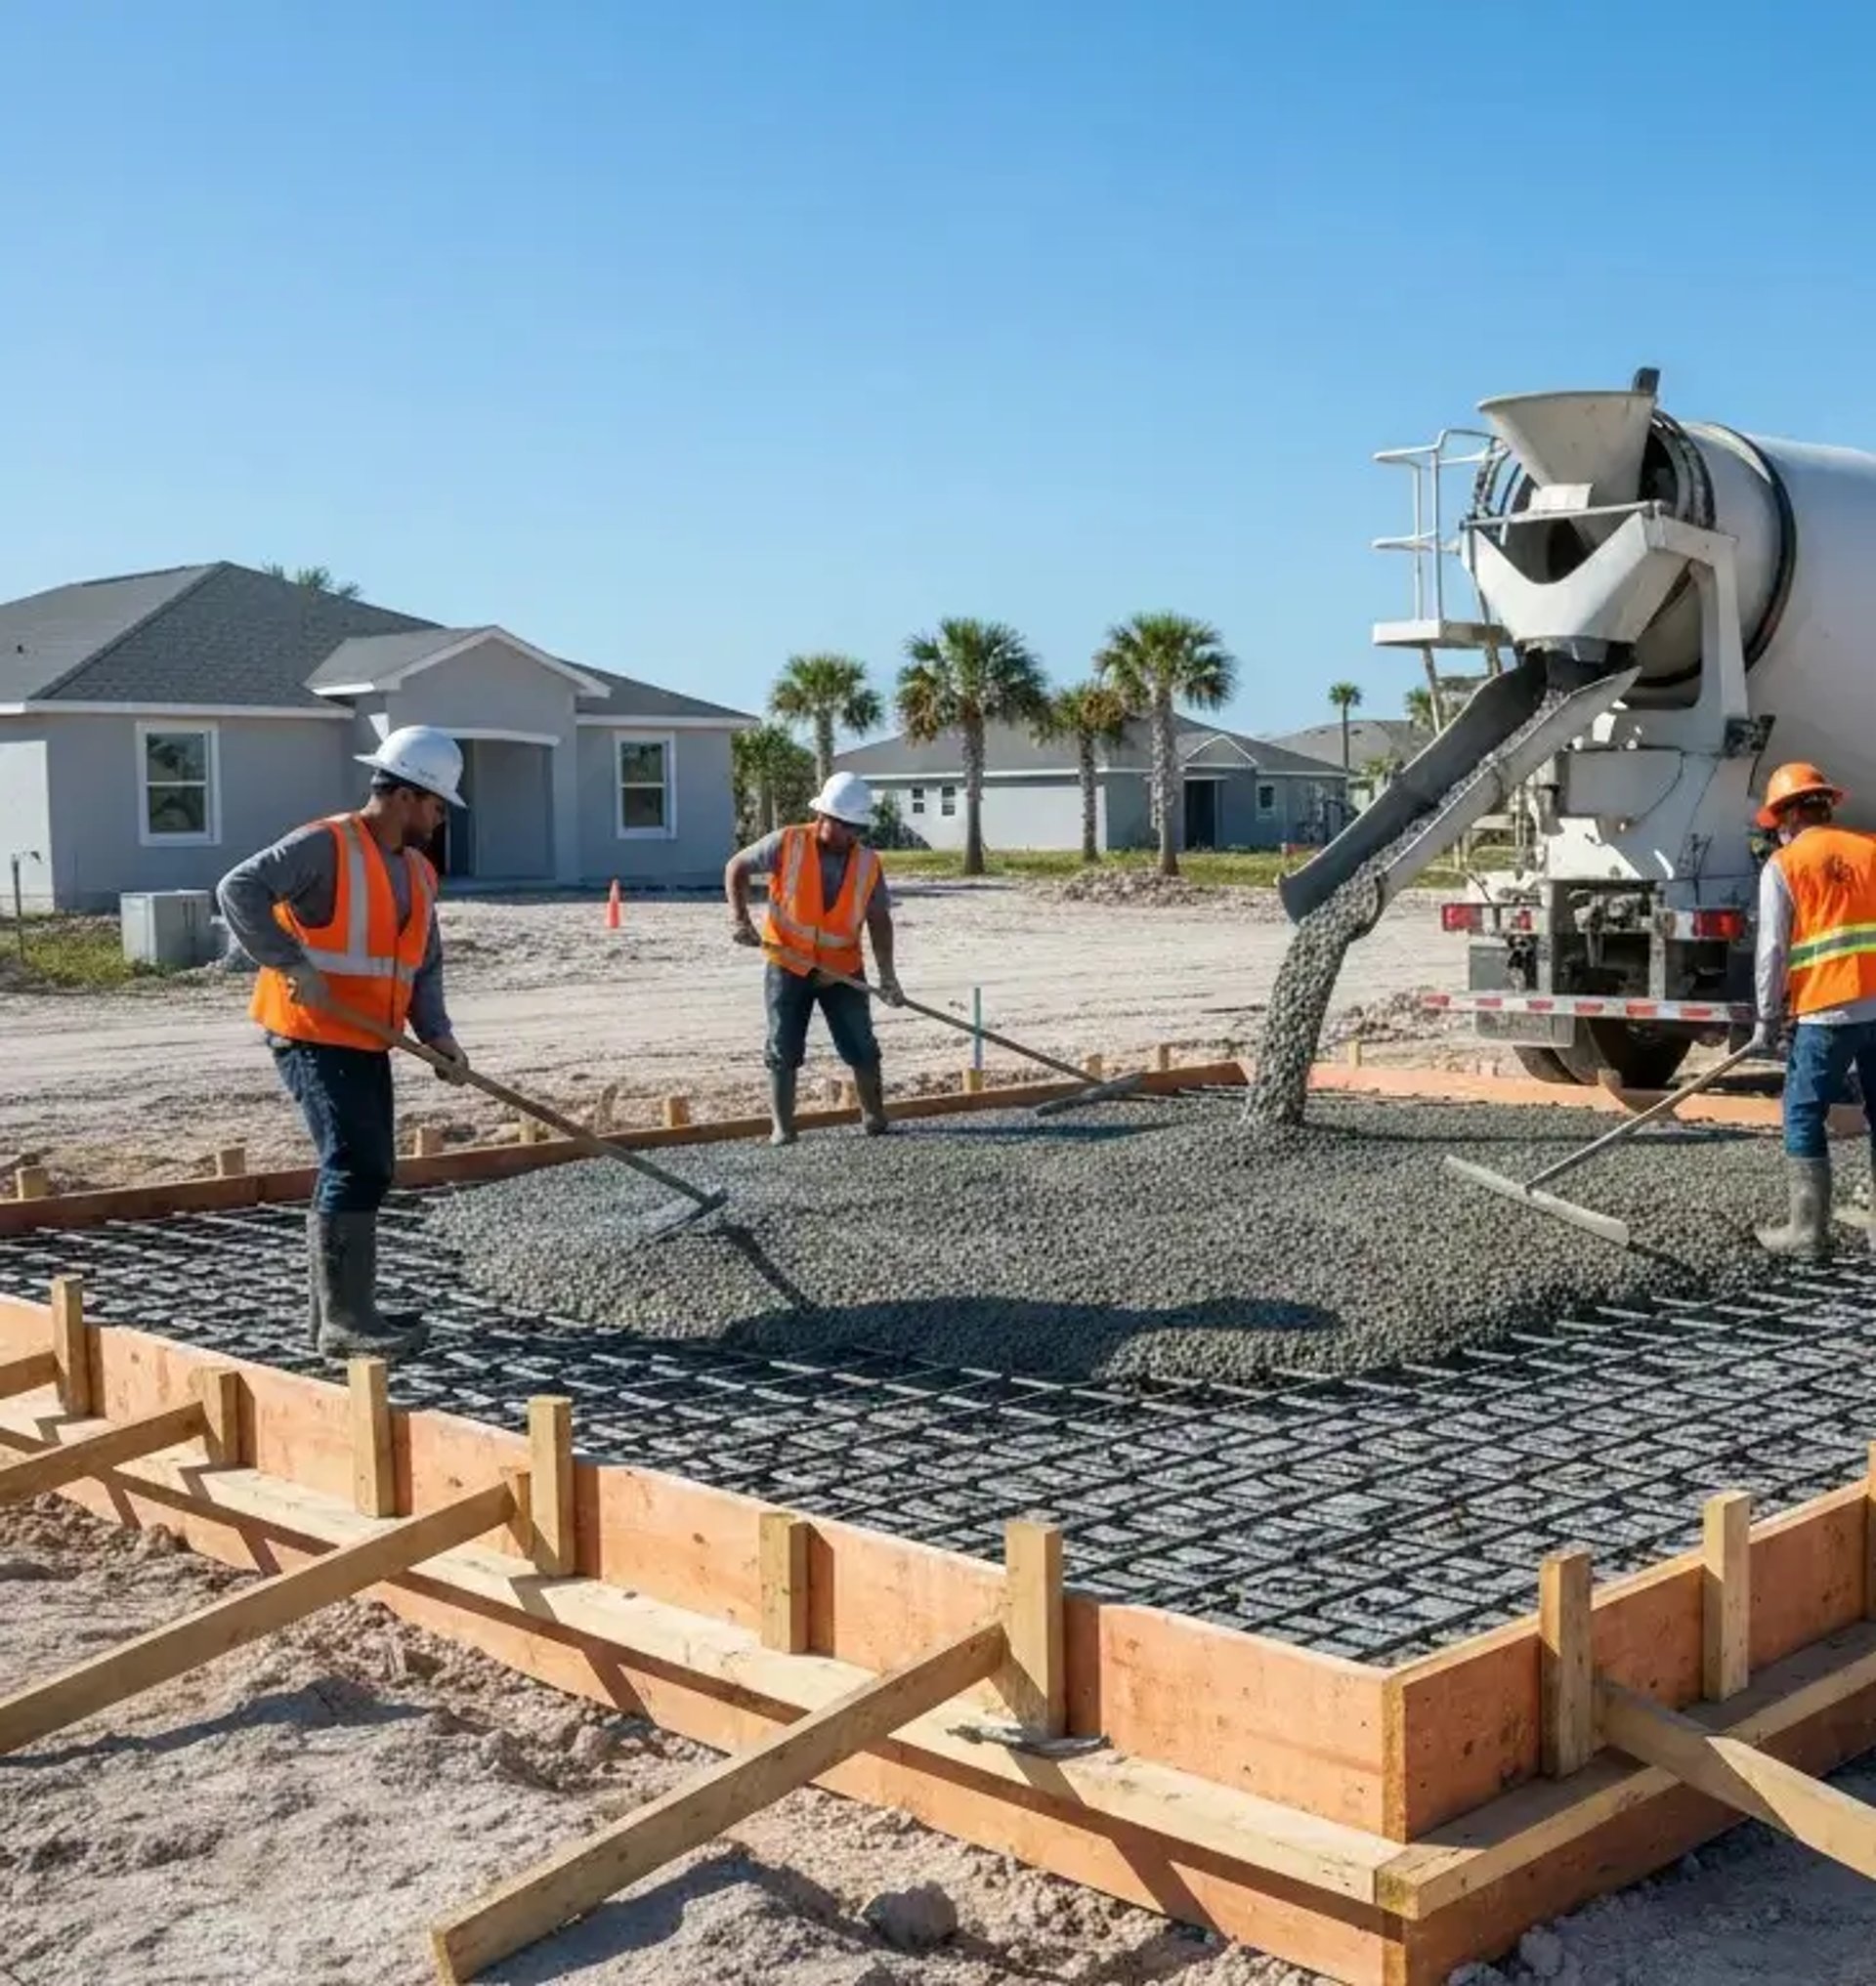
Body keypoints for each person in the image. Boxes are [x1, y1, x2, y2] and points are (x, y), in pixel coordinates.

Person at [217, 726, 472, 1361]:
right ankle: (346, 1322)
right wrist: (288, 962)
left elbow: (424, 963)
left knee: (365, 1164)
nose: (442, 820)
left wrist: (436, 1033)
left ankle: (337, 1314)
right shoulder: (326, 844)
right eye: (439, 805)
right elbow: (237, 889)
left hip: (366, 1038)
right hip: (310, 1033)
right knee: (356, 1164)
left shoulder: (417, 872)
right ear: (409, 796)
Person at [724, 771, 904, 1145]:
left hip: (841, 969)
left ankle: (875, 1117)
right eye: (846, 827)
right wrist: (739, 919)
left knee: (861, 1044)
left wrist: (888, 977)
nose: (852, 836)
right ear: (825, 817)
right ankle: (783, 1128)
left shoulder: (868, 863)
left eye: (858, 828)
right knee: (782, 1046)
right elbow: (736, 867)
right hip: (787, 963)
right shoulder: (787, 842)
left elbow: (879, 920)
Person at [1748, 759, 1876, 1259]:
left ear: (1791, 815)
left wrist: (1765, 1019)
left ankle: (1807, 1234)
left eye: (1779, 822)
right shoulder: (1870, 850)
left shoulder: (1784, 865)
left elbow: (1771, 950)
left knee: (1803, 1112)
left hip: (1828, 1009)